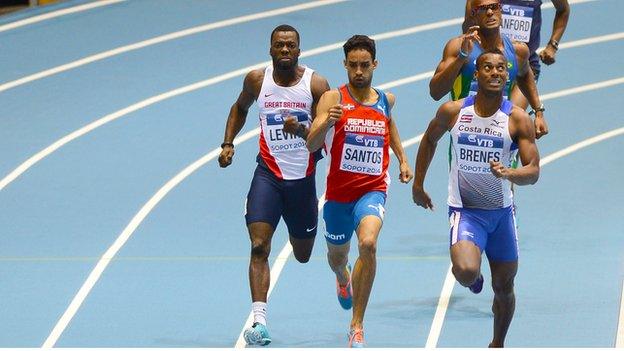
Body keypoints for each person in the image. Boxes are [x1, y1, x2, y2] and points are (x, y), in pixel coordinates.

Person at [413, 50, 540, 347]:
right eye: (487, 68)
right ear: (478, 74)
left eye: (500, 68)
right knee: (467, 272)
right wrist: (418, 184)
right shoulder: (454, 111)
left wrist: (509, 174)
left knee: (504, 287)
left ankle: (497, 343)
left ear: (507, 76)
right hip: (466, 211)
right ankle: (473, 280)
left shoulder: (518, 119)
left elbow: (533, 171)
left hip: (501, 216)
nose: (495, 73)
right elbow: (429, 139)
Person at [218, 24, 330, 346]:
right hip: (267, 175)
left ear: (299, 51)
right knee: (259, 246)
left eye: (290, 45)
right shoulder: (257, 80)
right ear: (270, 49)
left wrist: (303, 130)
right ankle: (259, 321)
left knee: (303, 254)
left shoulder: (316, 84)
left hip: (302, 181)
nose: (284, 50)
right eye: (279, 45)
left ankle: (333, 266)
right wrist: (228, 143)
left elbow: (327, 127)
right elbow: (240, 108)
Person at [307, 35, 413, 348]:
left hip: (372, 189)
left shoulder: (385, 99)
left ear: (374, 65)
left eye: (364, 65)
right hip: (338, 196)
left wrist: (403, 160)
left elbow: (389, 125)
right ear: (345, 65)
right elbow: (311, 143)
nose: (358, 71)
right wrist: (327, 121)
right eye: (352, 65)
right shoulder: (332, 98)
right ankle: (343, 278)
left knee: (368, 243)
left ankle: (356, 326)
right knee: (337, 258)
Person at [430, 0, 549, 139]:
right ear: (473, 14)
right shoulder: (458, 47)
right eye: (483, 8)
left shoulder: (518, 51)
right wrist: (461, 58)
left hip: (501, 132)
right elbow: (435, 92)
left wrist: (539, 112)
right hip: (465, 133)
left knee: (520, 134)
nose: (490, 12)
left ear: (501, 10)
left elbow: (525, 76)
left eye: (494, 7)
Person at [463, 0, 571, 109]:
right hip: (489, 66)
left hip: (524, 63)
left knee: (512, 118)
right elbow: (468, 28)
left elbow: (563, 9)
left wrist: (553, 45)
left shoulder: (521, 51)